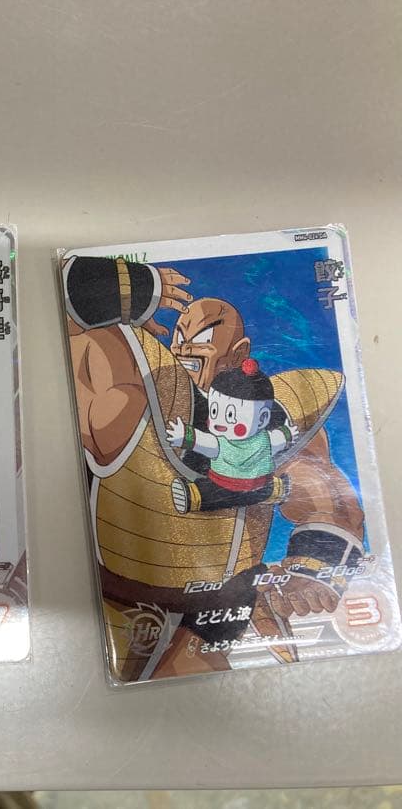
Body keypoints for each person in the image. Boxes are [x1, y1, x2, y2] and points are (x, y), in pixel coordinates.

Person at [64, 255, 364, 681]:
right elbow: (78, 336)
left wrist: (311, 569)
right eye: (180, 336)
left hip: (226, 604)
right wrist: (125, 288)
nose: (185, 347)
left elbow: (325, 493)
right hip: (119, 598)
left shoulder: (275, 414)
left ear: (237, 353)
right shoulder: (135, 393)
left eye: (202, 338)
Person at [167, 358, 298, 513]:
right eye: (214, 412)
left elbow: (202, 441)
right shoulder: (266, 440)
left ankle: (194, 496)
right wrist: (288, 434)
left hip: (226, 488)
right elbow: (280, 438)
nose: (219, 422)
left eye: (230, 415)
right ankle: (277, 489)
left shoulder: (222, 444)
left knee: (211, 493)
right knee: (262, 492)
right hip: (257, 488)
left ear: (262, 419)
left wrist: (184, 436)